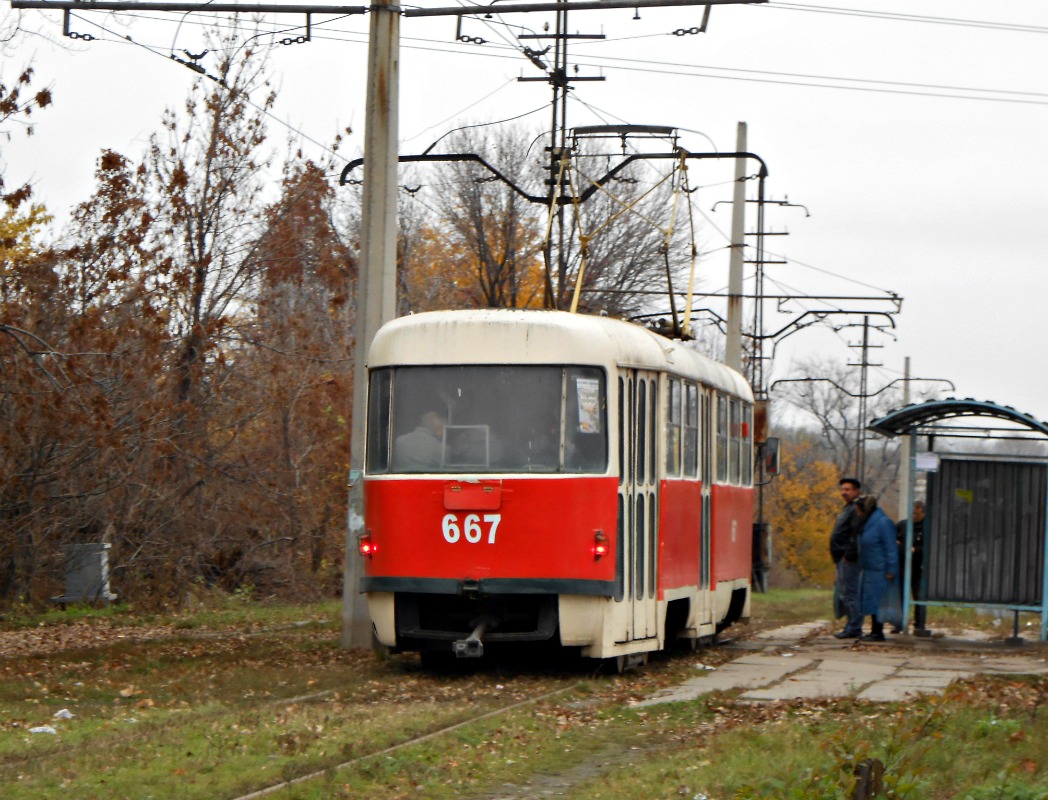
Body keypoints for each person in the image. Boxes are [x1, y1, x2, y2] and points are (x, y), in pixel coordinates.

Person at [854, 494, 899, 642]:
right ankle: (875, 630)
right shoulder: (869, 523)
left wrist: (891, 568)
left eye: (859, 511)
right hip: (870, 569)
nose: (858, 514)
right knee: (872, 601)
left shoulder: (883, 523)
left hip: (880, 570)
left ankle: (878, 632)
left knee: (878, 602)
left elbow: (891, 547)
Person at [829, 477, 863, 639]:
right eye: (843, 489)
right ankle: (851, 624)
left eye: (848, 489)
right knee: (845, 593)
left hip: (848, 559)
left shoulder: (855, 509)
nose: (844, 492)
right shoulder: (848, 508)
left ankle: (854, 627)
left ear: (856, 491)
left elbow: (855, 534)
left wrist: (848, 555)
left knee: (850, 593)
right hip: (842, 558)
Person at [894, 500, 926, 633]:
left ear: (922, 512)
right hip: (902, 566)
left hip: (919, 568)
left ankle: (919, 625)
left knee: (919, 597)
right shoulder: (903, 525)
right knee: (900, 596)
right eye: (912, 512)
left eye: (916, 513)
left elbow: (929, 547)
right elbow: (892, 538)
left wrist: (916, 550)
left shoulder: (927, 527)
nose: (913, 516)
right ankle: (899, 624)